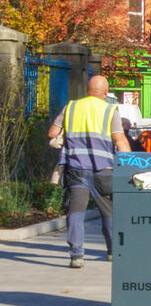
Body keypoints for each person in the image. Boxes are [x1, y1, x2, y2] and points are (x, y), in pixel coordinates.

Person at [48, 74, 130, 268]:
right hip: (104, 169)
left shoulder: (71, 107)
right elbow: (119, 139)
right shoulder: (110, 110)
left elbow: (53, 133)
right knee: (108, 211)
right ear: (105, 92)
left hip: (76, 168)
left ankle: (76, 255)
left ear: (88, 90)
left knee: (76, 211)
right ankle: (112, 251)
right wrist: (130, 163)